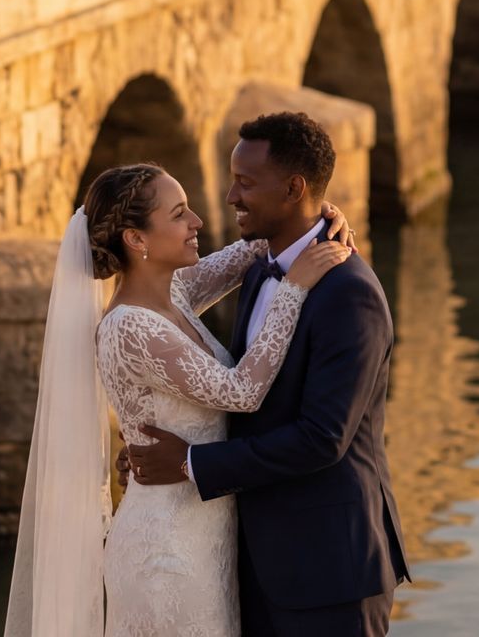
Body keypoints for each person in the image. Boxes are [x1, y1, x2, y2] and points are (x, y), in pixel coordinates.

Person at [3, 158, 352, 637]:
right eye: (179, 214)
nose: (198, 222)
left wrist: (319, 214)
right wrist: (294, 290)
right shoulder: (130, 326)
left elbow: (251, 252)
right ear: (136, 239)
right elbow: (242, 391)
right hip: (165, 555)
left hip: (204, 540)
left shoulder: (176, 291)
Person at [127, 111, 411, 637]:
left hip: (329, 567)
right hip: (252, 558)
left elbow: (322, 438)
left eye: (246, 182)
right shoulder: (259, 266)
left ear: (293, 188)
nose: (231, 196)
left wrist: (190, 461)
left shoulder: (349, 294)